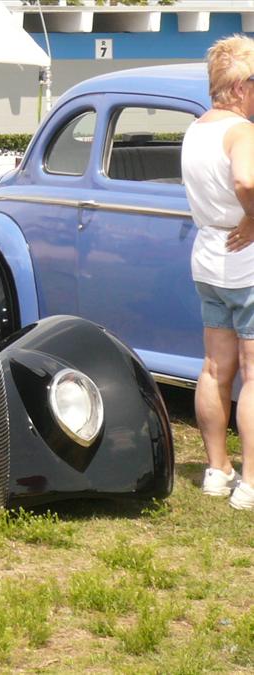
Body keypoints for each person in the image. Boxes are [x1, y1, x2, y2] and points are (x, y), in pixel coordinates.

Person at [180, 34, 254, 511]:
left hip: (207, 253)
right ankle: (250, 481)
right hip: (246, 259)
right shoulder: (242, 132)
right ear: (244, 85)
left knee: (214, 367)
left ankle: (216, 469)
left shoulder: (195, 129)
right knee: (253, 373)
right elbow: (246, 179)